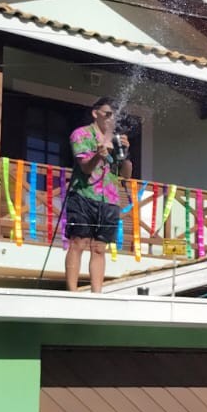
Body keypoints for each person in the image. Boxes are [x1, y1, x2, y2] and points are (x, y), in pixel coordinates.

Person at [64, 97, 132, 293]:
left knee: (100, 248)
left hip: (109, 200)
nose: (111, 119)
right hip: (84, 194)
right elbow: (85, 168)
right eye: (108, 114)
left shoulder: (115, 141)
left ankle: (97, 293)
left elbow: (126, 175)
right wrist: (98, 154)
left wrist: (125, 153)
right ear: (96, 113)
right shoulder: (81, 134)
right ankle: (72, 292)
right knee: (79, 242)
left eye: (114, 116)